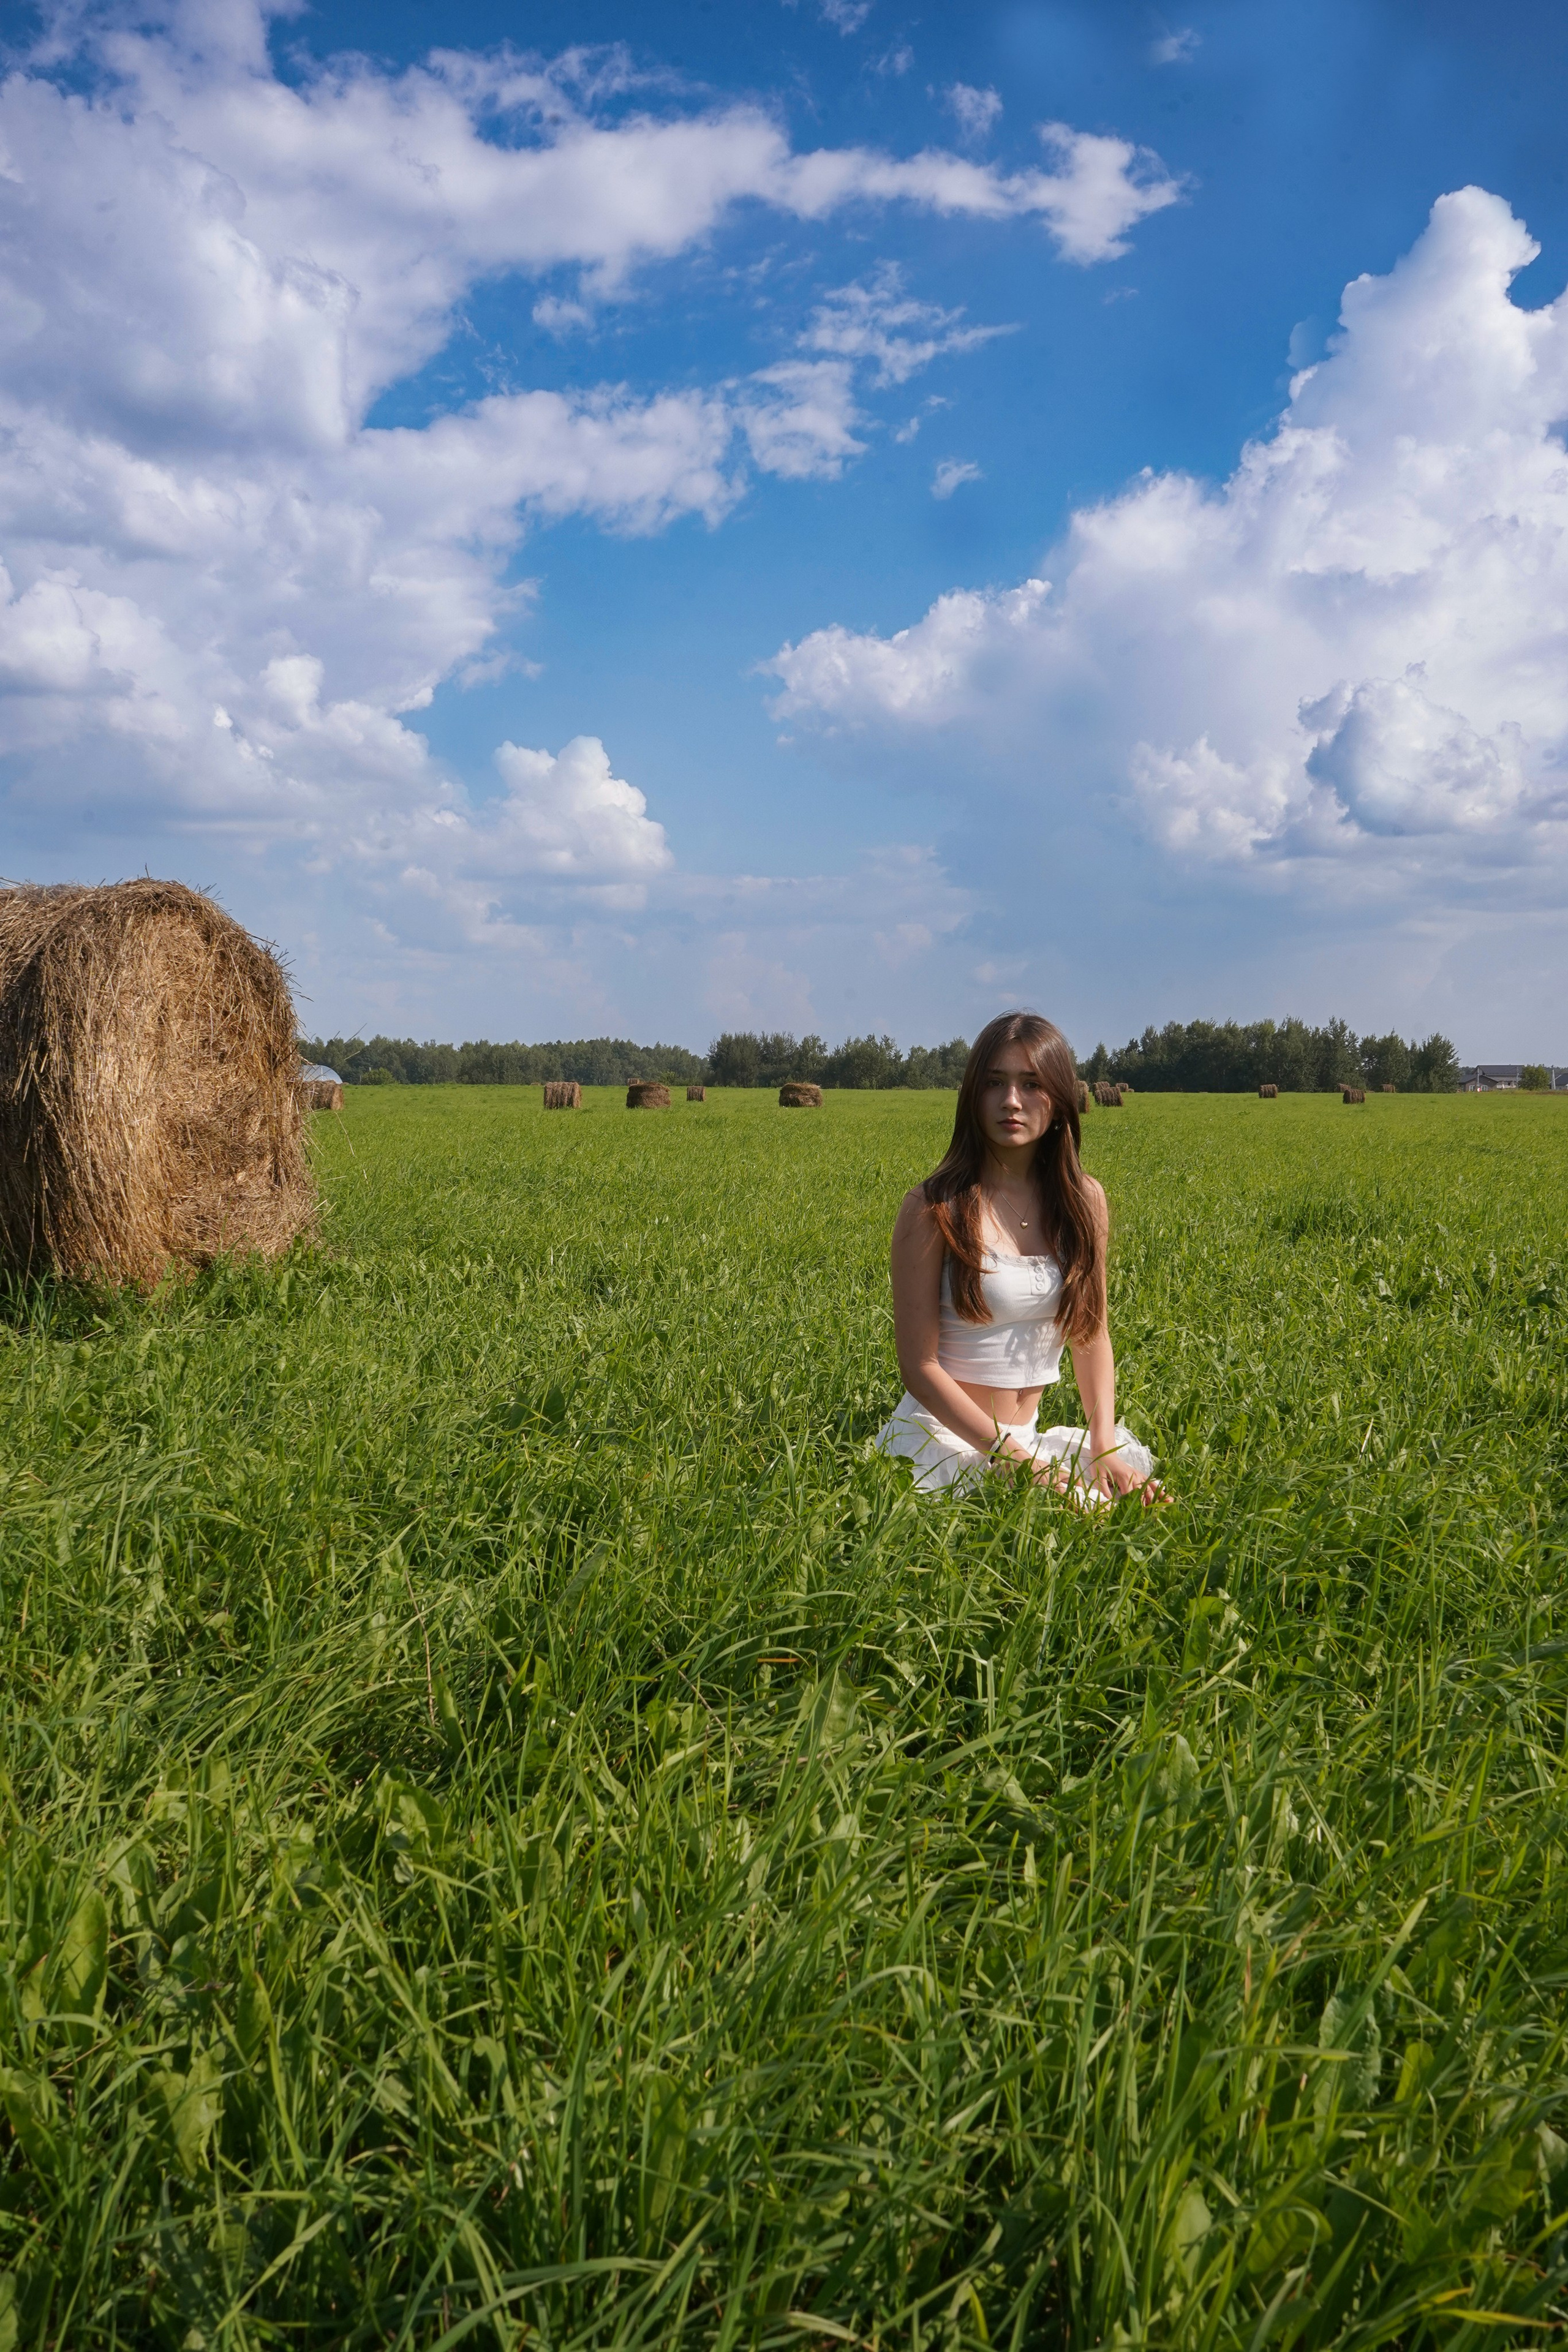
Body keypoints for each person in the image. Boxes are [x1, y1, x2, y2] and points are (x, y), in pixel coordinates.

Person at [875, 1011, 1158, 1504]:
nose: (1012, 1101)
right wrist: (1011, 1460)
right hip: (944, 1441)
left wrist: (1105, 1445)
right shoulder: (932, 1207)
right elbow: (918, 1366)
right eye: (995, 1083)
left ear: (1061, 1099)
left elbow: (1091, 1336)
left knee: (1125, 1512)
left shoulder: (1084, 1201)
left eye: (1031, 1084)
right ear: (973, 1096)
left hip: (1024, 1442)